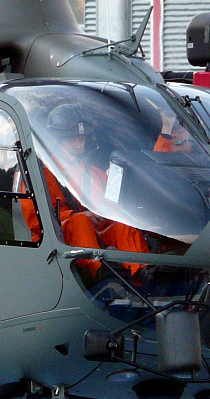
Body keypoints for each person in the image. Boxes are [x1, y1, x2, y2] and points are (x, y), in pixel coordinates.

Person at [42, 104, 147, 281]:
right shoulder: (42, 174)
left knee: (124, 226)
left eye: (81, 139)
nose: (78, 145)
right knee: (81, 221)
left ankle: (143, 272)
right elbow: (37, 221)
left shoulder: (96, 173)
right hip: (59, 239)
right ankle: (98, 274)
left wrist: (102, 217)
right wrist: (76, 215)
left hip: (96, 233)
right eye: (71, 139)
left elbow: (112, 209)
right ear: (56, 140)